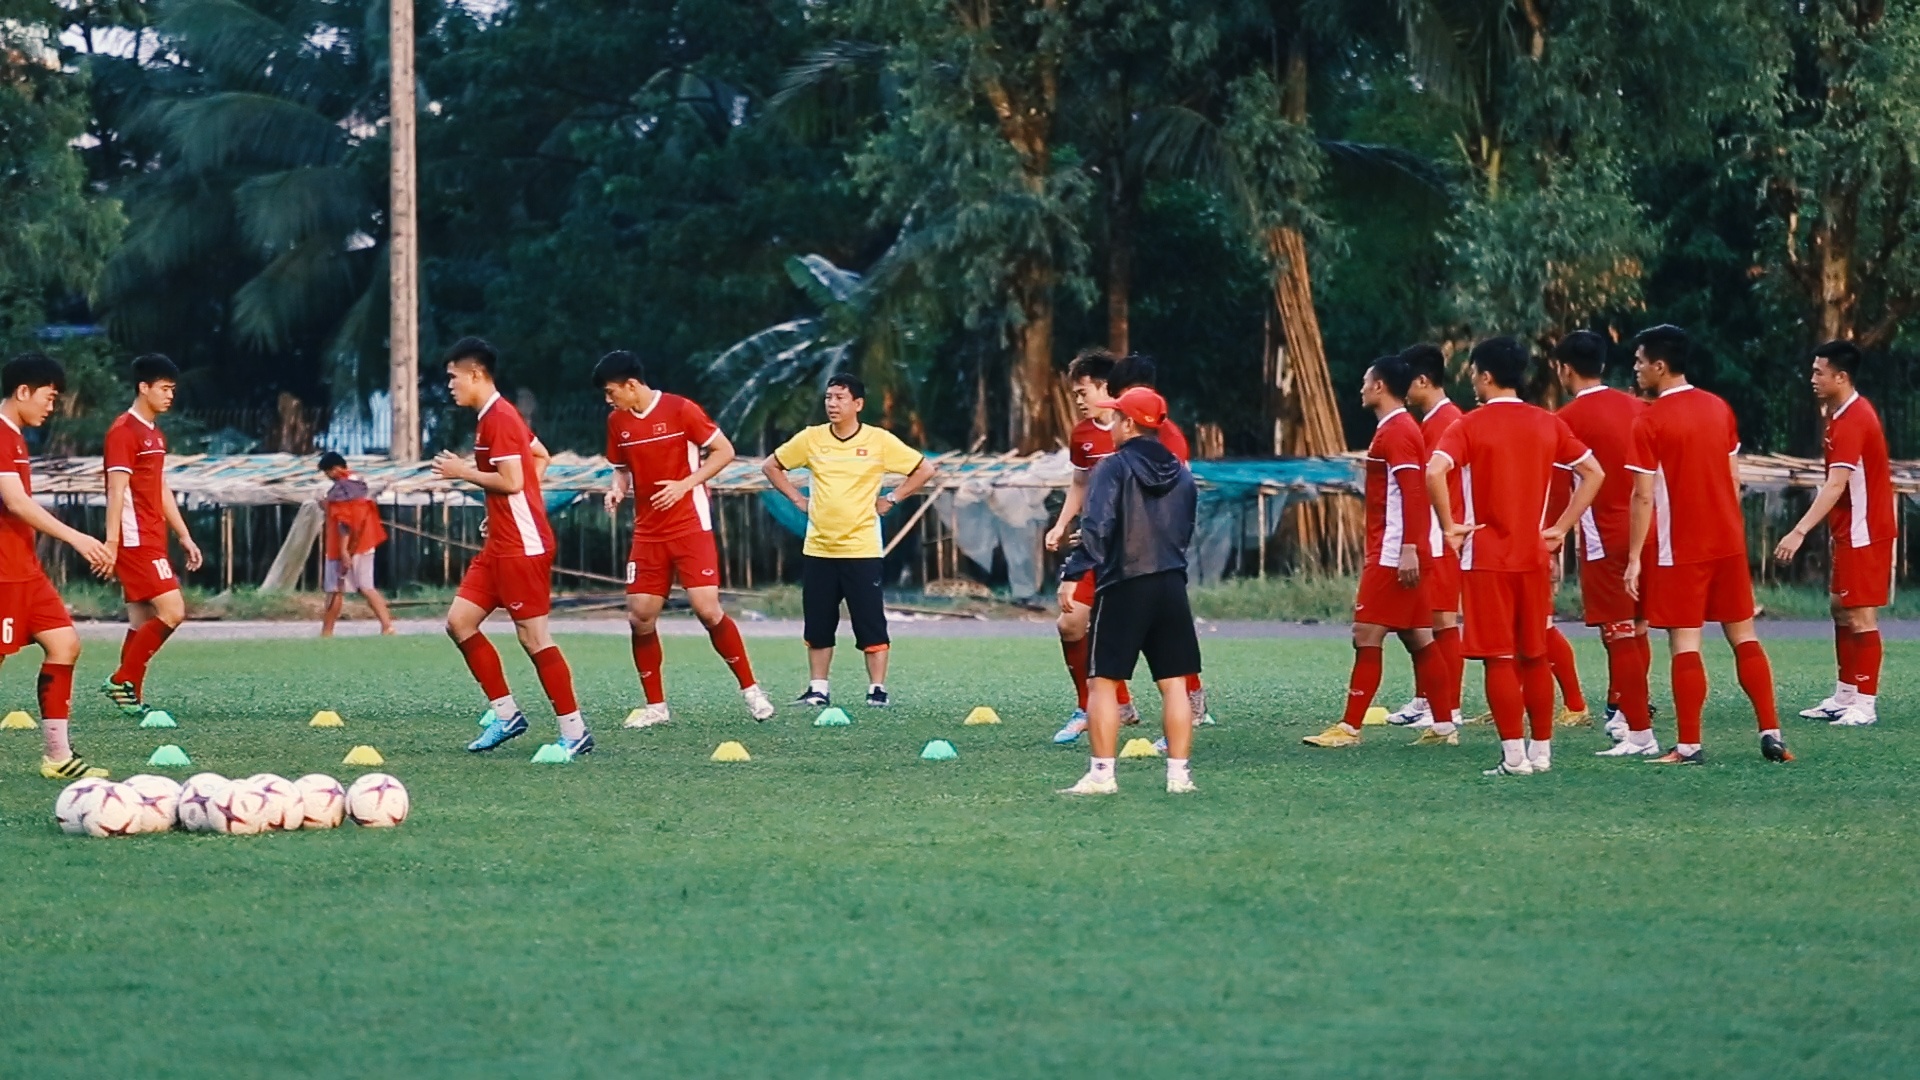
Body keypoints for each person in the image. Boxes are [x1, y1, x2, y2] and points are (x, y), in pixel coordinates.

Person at [1427, 337, 1604, 777]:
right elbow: (1594, 472)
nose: (1471, 380)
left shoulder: (1468, 425)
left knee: (1498, 658)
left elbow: (1434, 470)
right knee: (1534, 654)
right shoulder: (1546, 422)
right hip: (1533, 555)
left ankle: (1513, 756)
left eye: (1472, 373)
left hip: (1486, 555)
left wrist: (1449, 526)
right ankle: (1541, 752)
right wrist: (1561, 528)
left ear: (1486, 376)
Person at [1624, 324, 1791, 764]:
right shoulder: (1719, 408)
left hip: (1682, 548)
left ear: (1660, 366)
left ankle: (1690, 745)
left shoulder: (1650, 420)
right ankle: (1771, 732)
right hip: (1728, 543)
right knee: (1743, 636)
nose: (1636, 368)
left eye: (1640, 361)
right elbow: (1733, 480)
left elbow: (1642, 494)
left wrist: (1634, 559)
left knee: (1685, 644)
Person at [431, 337, 594, 759]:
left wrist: (462, 471)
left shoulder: (500, 418)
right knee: (459, 622)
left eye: (452, 377)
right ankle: (507, 715)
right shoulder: (493, 417)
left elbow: (514, 480)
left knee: (534, 638)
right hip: (501, 542)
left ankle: (574, 731)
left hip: (522, 547)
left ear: (475, 375)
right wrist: (506, 509)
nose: (449, 386)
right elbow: (539, 455)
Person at [593, 350, 775, 726]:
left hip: (690, 525)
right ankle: (656, 707)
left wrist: (685, 484)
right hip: (648, 532)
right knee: (640, 617)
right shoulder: (617, 422)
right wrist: (616, 490)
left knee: (707, 609)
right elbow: (621, 471)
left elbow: (724, 451)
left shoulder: (681, 410)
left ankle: (751, 691)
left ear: (632, 384)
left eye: (611, 392)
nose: (608, 400)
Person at [1057, 386, 1201, 795]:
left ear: (1130, 424)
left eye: (1118, 417)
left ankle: (1102, 775)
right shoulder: (1182, 471)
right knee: (1174, 682)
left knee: (1102, 681)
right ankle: (1179, 776)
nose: (1113, 424)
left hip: (1124, 584)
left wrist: (1074, 573)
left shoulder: (1113, 466)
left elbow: (1097, 526)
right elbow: (1186, 528)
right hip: (1172, 582)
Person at [1303, 355, 1454, 748]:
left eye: (1365, 381)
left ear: (1380, 387)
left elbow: (1413, 492)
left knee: (1366, 633)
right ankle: (1443, 727)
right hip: (1395, 548)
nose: (1361, 388)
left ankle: (1350, 728)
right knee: (1419, 637)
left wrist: (1407, 549)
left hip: (1391, 553)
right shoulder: (1395, 428)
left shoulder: (1398, 431)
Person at [762, 374, 937, 708]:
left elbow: (924, 469)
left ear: (858, 404)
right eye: (828, 397)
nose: (832, 404)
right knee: (818, 622)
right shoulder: (811, 439)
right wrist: (798, 500)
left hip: (862, 549)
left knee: (870, 622)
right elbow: (771, 466)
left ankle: (876, 690)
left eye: (840, 398)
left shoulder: (879, 440)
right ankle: (818, 689)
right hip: (819, 547)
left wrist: (893, 497)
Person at [0, 354, 116, 778]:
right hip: (3, 572)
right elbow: (15, 502)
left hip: (25, 569)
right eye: (48, 397)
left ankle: (57, 757)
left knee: (65, 645)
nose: (52, 406)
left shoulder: (15, 437)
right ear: (23, 392)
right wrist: (78, 538)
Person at [1773, 338, 1896, 728]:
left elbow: (1835, 485)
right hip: (1847, 530)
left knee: (1861, 616)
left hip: (1866, 530)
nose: (1812, 378)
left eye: (1818, 372)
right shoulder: (1838, 415)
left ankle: (1866, 702)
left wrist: (1798, 531)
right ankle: (1844, 695)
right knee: (1840, 609)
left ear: (1840, 377)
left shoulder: (1856, 418)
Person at [1548, 331, 1658, 756]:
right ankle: (1626, 712)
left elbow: (1561, 490)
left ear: (1565, 369)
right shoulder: (1640, 407)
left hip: (1605, 536)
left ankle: (1637, 728)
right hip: (1648, 529)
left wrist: (1552, 541)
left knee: (1618, 631)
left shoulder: (1567, 420)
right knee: (1639, 626)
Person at [1102, 354, 1212, 745]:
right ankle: (1176, 764)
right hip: (1146, 557)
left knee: (1138, 659)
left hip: (1139, 558)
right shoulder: (1124, 437)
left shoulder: (1159, 439)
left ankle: (1102, 767)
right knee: (1165, 651)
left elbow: (1169, 495)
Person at [98, 354, 203, 718]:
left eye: (173, 389)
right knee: (173, 611)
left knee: (141, 621)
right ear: (143, 387)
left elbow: (159, 488)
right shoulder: (123, 431)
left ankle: (131, 697)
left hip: (151, 536)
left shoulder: (154, 434)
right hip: (133, 538)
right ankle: (121, 678)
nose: (170, 395)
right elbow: (116, 491)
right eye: (164, 388)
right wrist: (111, 543)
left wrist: (184, 535)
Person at [1045, 349, 1140, 744]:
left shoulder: (1136, 430)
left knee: (1150, 628)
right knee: (1070, 622)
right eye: (1075, 394)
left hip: (1135, 549)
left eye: (1083, 391)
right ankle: (1091, 706)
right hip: (1093, 546)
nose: (1079, 401)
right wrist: (1062, 522)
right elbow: (1081, 483)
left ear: (1105, 387)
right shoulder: (1082, 434)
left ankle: (1191, 700)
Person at [1386, 343, 1466, 734]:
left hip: (1443, 535)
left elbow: (1431, 480)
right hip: (1438, 534)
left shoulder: (1447, 421)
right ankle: (1430, 701)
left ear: (1422, 380)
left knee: (1442, 621)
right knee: (1427, 621)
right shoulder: (1433, 420)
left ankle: (1447, 706)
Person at [317, 451, 396, 637]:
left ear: (336, 469)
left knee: (334, 589)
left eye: (327, 472)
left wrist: (344, 551)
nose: (327, 477)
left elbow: (345, 522)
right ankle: (387, 626)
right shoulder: (359, 485)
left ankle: (326, 632)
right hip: (365, 544)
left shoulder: (341, 490)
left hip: (344, 547)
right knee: (366, 586)